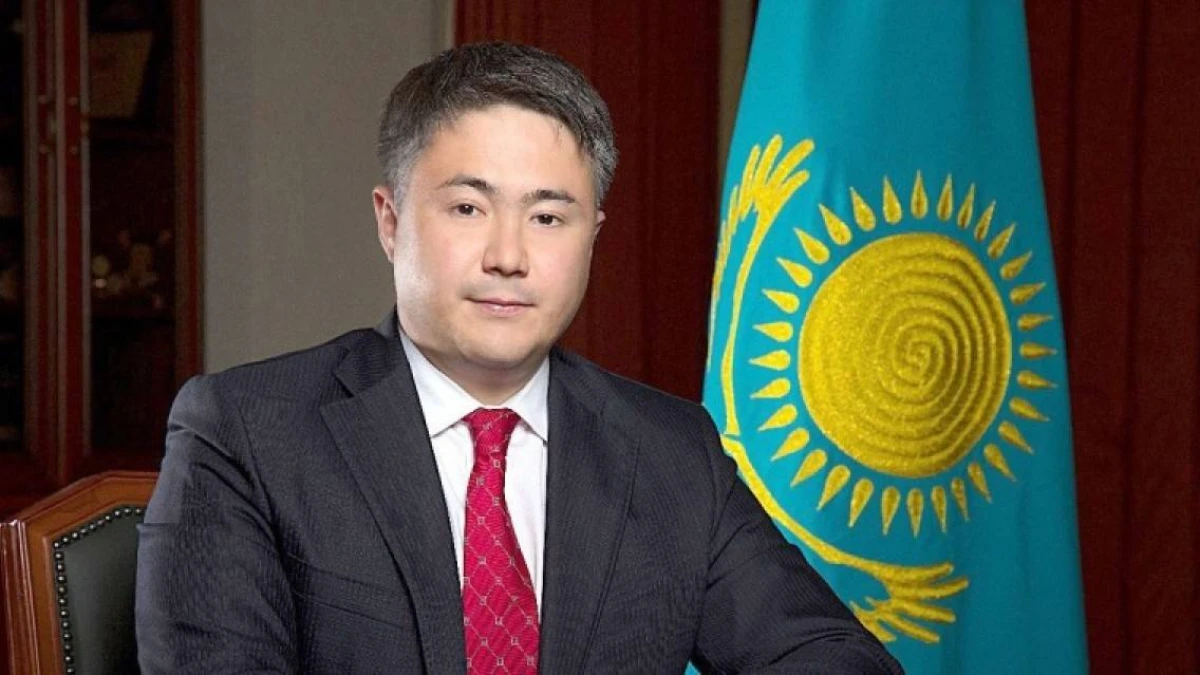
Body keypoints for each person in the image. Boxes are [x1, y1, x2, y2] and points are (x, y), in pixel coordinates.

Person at [135, 42, 902, 674]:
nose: (509, 256)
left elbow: (836, 658)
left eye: (548, 217)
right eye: (468, 207)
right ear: (391, 221)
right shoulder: (248, 434)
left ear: (592, 236)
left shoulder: (672, 453)